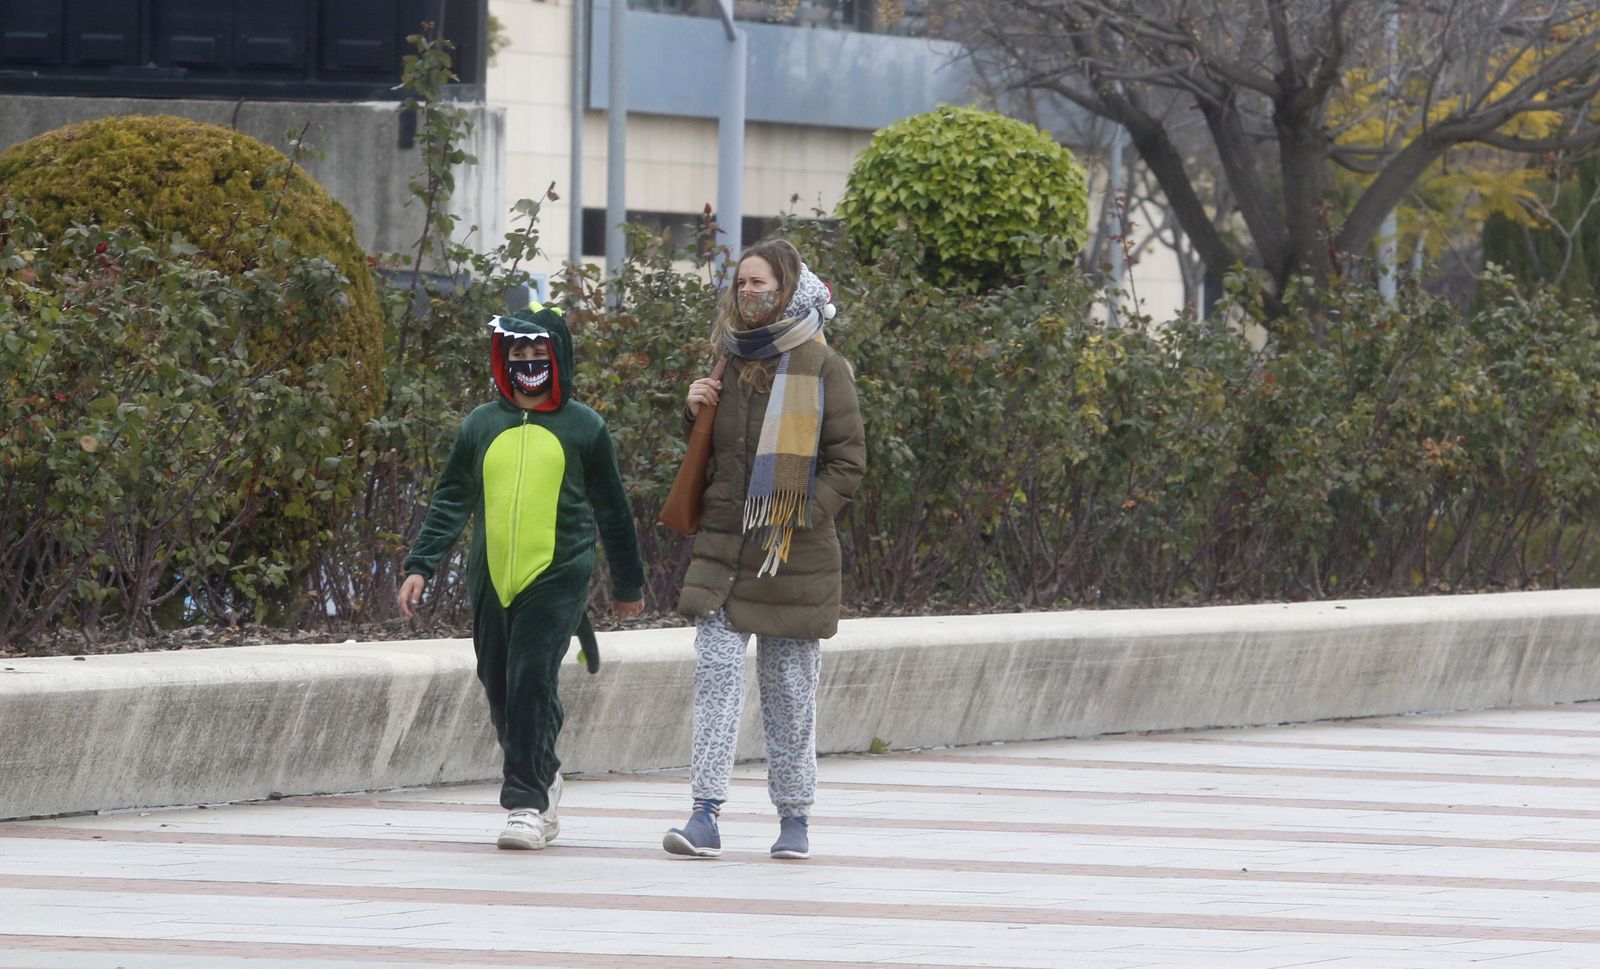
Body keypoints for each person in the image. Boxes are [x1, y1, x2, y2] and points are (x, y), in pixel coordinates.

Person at [397, 304, 645, 851]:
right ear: (502, 360)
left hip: (559, 573)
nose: (527, 364)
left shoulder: (585, 427)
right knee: (500, 682)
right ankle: (544, 770)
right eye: (518, 356)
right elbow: (451, 499)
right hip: (490, 576)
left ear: (557, 356)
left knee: (533, 676)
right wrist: (421, 564)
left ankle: (527, 803)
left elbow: (614, 510)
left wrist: (629, 585)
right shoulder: (481, 425)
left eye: (538, 354)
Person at [663, 239, 866, 861]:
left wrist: (799, 515)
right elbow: (724, 462)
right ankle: (704, 815)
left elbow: (848, 461)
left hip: (791, 556)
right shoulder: (728, 358)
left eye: (762, 283)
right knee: (716, 678)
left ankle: (795, 818)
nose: (749, 292)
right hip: (724, 553)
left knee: (789, 692)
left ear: (789, 288)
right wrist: (694, 411)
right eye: (742, 282)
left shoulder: (820, 364)